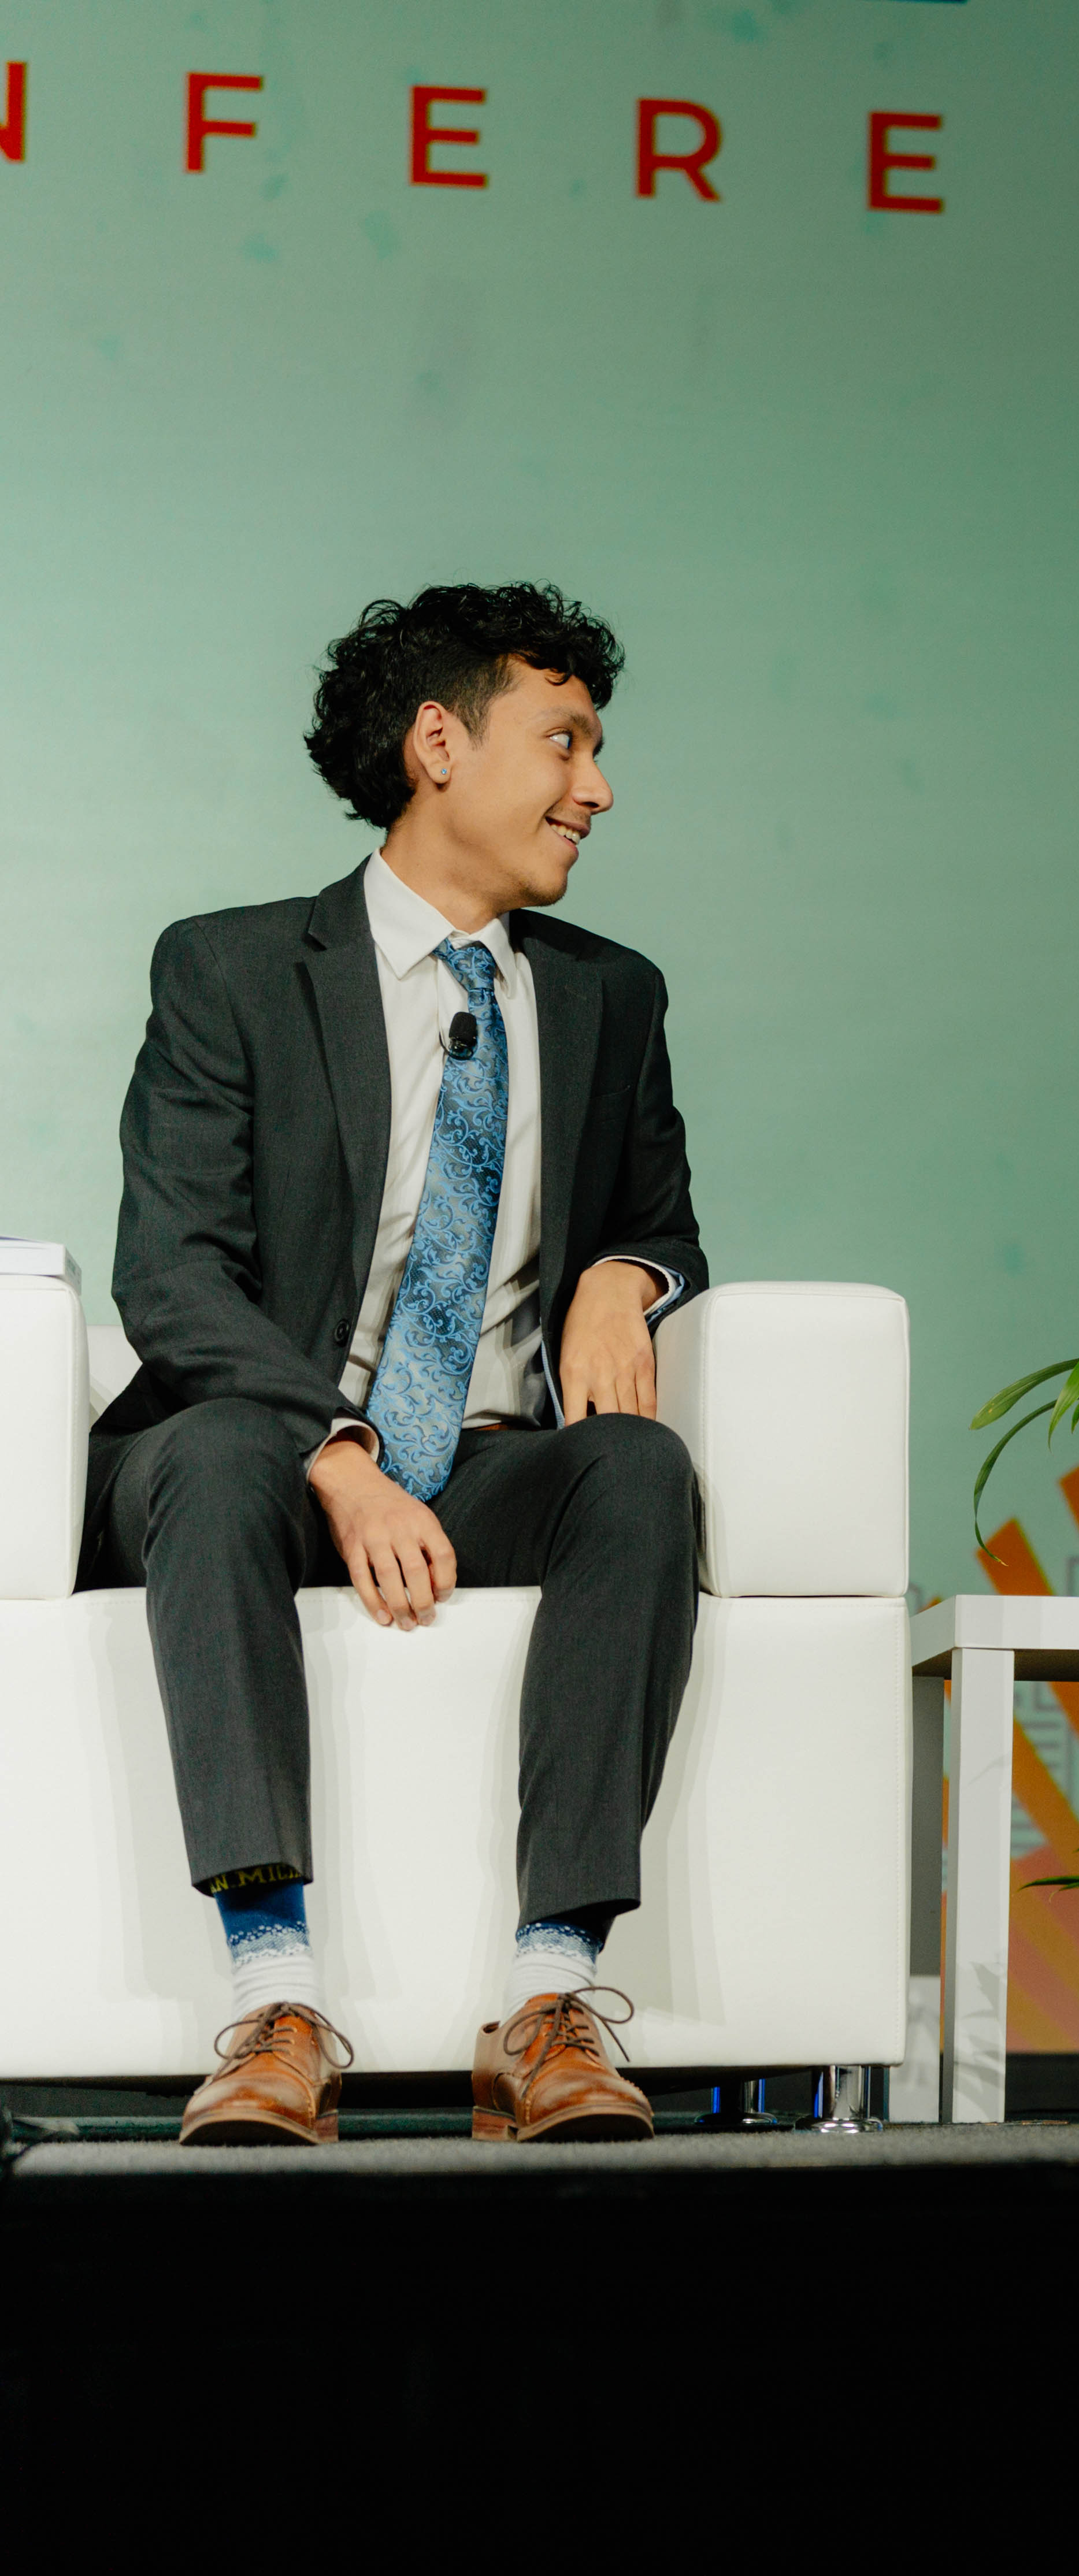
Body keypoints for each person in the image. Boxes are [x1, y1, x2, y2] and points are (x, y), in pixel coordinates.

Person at [86, 584, 711, 2146]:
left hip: (488, 1460)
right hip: (267, 1452)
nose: (599, 787)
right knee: (221, 1457)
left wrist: (626, 1283)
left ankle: (556, 1996)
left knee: (637, 1467)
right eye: (564, 741)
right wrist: (340, 1442)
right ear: (440, 744)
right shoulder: (230, 971)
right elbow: (173, 1278)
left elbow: (662, 1217)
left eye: (600, 748)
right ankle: (273, 1995)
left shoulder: (607, 995)